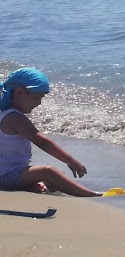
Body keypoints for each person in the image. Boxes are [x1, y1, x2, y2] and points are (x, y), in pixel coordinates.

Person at [0, 69, 100, 197]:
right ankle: (91, 194)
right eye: (36, 97)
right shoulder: (15, 118)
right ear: (19, 92)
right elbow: (42, 142)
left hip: (9, 173)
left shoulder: (4, 114)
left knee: (59, 176)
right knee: (48, 171)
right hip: (5, 176)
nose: (39, 103)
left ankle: (33, 186)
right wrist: (69, 160)